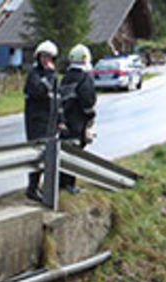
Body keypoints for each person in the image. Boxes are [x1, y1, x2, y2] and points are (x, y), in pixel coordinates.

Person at [57, 43, 96, 193]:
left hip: (64, 120)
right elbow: (87, 101)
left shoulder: (66, 78)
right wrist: (91, 116)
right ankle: (70, 184)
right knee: (75, 154)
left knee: (64, 152)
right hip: (78, 121)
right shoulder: (85, 78)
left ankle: (61, 182)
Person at [23, 40, 59, 202]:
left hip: (49, 119)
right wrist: (49, 76)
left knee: (47, 154)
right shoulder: (34, 75)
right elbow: (38, 91)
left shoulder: (53, 75)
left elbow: (57, 98)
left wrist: (60, 119)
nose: (47, 60)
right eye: (44, 56)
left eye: (50, 57)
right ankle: (32, 187)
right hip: (36, 120)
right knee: (37, 153)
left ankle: (43, 186)